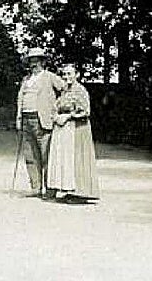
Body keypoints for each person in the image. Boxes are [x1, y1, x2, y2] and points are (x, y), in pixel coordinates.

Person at [45, 63, 100, 203]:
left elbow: (85, 111)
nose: (66, 77)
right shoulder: (65, 91)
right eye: (64, 74)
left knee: (77, 158)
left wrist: (68, 116)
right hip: (64, 129)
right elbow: (57, 106)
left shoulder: (80, 90)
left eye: (70, 74)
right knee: (66, 159)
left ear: (77, 75)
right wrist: (56, 116)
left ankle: (81, 192)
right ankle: (69, 189)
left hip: (77, 129)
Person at [14, 47, 64, 198]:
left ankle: (50, 189)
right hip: (26, 119)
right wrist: (18, 118)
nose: (33, 63)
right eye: (31, 60)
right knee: (30, 155)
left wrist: (57, 108)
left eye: (36, 60)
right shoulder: (26, 79)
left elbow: (65, 89)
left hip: (42, 120)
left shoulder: (49, 77)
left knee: (46, 154)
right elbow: (20, 100)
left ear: (43, 61)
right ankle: (36, 187)